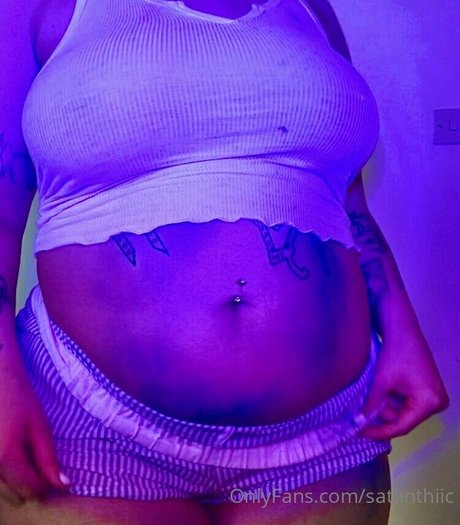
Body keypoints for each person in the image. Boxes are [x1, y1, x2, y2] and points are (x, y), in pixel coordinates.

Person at [0, 0, 449, 523]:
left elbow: (344, 199)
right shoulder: (42, 7)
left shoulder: (309, 9)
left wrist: (402, 333)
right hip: (87, 425)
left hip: (327, 436)